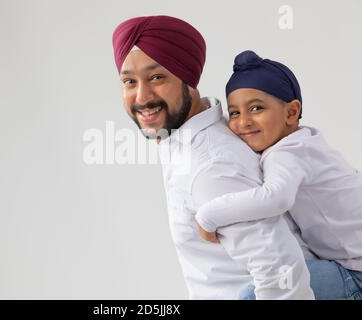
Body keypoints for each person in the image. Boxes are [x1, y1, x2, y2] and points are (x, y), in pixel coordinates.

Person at [112, 15, 314, 299]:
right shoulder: (184, 141)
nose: (142, 97)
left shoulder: (210, 164)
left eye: (157, 77)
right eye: (129, 81)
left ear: (188, 79)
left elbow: (281, 273)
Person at [195, 50, 362, 299]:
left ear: (291, 113)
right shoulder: (306, 141)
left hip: (355, 274)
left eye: (256, 108)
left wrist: (208, 215)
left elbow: (275, 198)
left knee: (253, 295)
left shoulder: (288, 152)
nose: (243, 122)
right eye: (235, 113)